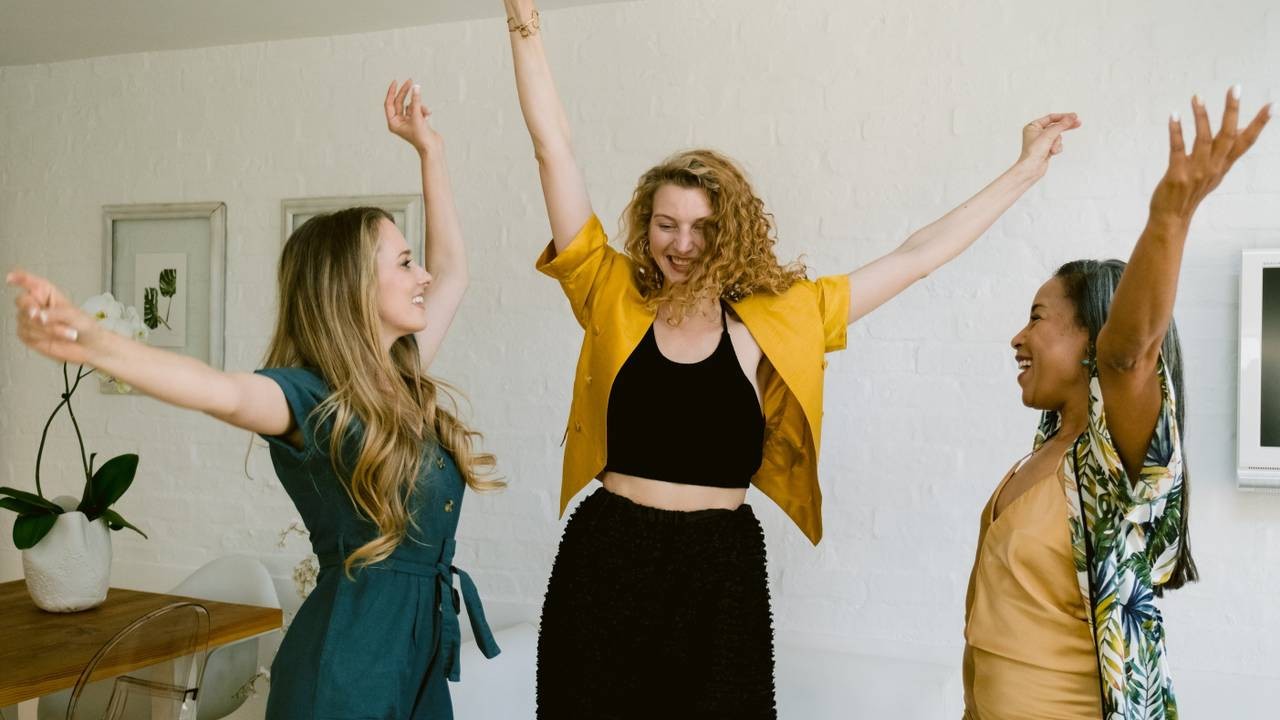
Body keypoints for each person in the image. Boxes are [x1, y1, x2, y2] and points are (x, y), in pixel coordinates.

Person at [498, 2, 1079, 716]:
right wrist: (524, 26)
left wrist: (1023, 171)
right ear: (645, 226)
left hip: (720, 570)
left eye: (702, 227)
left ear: (731, 232)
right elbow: (553, 150)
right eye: (666, 224)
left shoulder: (782, 319)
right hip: (606, 559)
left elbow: (917, 256)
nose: (682, 244)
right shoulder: (607, 291)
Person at [8, 79, 502, 719]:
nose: (424, 276)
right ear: (352, 286)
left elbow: (454, 270)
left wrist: (430, 150)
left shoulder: (398, 378)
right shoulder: (312, 400)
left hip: (418, 665)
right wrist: (99, 345)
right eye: (405, 263)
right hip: (344, 674)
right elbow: (219, 391)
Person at [961, 88, 1270, 719]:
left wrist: (1170, 218)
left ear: (1090, 343)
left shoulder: (1113, 462)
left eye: (1037, 318)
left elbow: (1128, 355)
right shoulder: (1048, 451)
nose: (1018, 337)